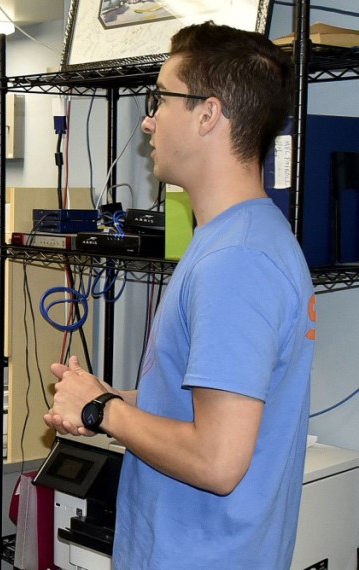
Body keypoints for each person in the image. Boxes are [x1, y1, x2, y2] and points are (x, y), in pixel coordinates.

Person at [44, 22, 314, 569]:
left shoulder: (237, 262)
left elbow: (217, 460)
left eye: (160, 99)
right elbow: (205, 409)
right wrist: (110, 395)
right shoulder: (238, 238)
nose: (148, 119)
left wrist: (101, 411)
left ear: (208, 114)